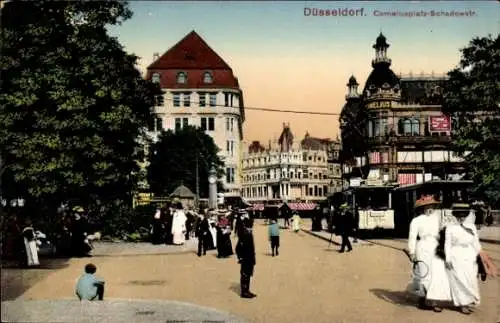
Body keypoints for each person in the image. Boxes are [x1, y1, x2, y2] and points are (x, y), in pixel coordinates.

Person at [408, 195, 451, 312]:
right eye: (426, 207)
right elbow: (412, 237)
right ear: (422, 208)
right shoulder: (416, 221)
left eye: (431, 206)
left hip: (436, 248)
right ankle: (431, 300)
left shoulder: (438, 219)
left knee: (437, 274)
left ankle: (432, 298)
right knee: (425, 274)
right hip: (422, 248)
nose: (429, 209)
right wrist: (412, 252)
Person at [445, 203, 482, 315]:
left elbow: (476, 243)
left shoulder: (471, 227)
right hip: (456, 255)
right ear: (455, 216)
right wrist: (448, 259)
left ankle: (469, 300)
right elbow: (447, 244)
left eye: (463, 215)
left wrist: (480, 256)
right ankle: (462, 304)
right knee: (459, 280)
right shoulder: (450, 228)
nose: (461, 218)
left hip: (470, 256)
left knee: (470, 279)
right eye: (458, 215)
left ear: (466, 215)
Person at [236, 218, 257, 298]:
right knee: (245, 275)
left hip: (249, 258)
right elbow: (238, 247)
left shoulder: (248, 233)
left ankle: (247, 290)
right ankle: (244, 292)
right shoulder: (245, 234)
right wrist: (240, 257)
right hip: (246, 258)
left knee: (248, 275)